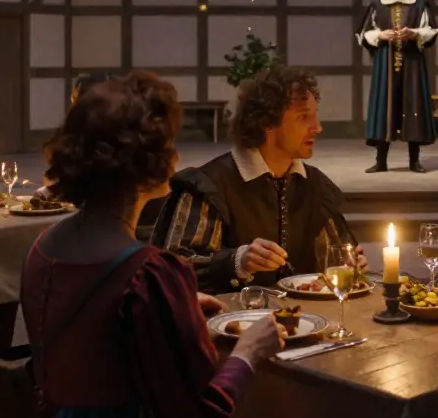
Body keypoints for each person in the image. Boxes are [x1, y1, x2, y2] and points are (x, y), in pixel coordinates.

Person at [23, 70, 282, 418]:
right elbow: (199, 415)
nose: (175, 156)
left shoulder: (42, 246)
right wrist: (249, 351)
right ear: (147, 163)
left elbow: (100, 341)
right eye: (167, 145)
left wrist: (174, 309)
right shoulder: (149, 274)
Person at [150, 64, 365, 294]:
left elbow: (336, 258)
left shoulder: (315, 186)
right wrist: (236, 261)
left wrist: (350, 266)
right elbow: (171, 270)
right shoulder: (210, 185)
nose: (318, 127)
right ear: (267, 123)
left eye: (315, 116)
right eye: (304, 117)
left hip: (306, 323)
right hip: (228, 324)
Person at [357, 0, 438, 173]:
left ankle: (414, 161)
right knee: (384, 108)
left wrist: (414, 33)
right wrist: (380, 35)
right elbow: (362, 33)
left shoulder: (419, 3)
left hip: (412, 62)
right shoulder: (377, 3)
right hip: (385, 63)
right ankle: (381, 161)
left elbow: (432, 29)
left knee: (413, 108)